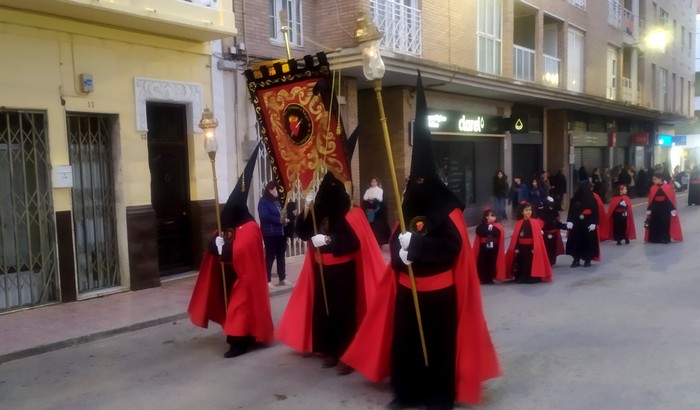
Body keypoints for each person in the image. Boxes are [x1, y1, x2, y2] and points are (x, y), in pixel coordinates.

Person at [341, 73, 500, 409]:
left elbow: (451, 248)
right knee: (406, 343)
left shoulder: (448, 210)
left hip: (440, 295)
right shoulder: (406, 205)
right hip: (406, 290)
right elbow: (399, 244)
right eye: (415, 179)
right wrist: (400, 252)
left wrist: (419, 249)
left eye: (423, 179)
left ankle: (439, 395)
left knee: (439, 345)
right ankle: (407, 391)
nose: (418, 184)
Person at [277, 171, 386, 374]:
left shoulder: (350, 213)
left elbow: (353, 243)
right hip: (321, 269)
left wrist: (328, 241)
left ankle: (346, 354)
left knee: (343, 312)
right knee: (323, 311)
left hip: (343, 270)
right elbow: (302, 232)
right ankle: (330, 350)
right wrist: (306, 210)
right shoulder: (319, 211)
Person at [188, 143, 274, 358]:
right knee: (233, 309)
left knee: (240, 308)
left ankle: (240, 344)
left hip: (243, 277)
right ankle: (240, 337)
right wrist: (215, 245)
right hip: (228, 275)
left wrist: (226, 249)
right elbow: (213, 247)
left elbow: (243, 251)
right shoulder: (227, 225)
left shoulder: (250, 227)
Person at [499, 202, 552, 284]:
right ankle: (521, 277)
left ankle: (532, 277)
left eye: (530, 210)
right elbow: (515, 238)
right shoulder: (519, 223)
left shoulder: (535, 223)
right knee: (522, 262)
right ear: (522, 212)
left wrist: (535, 248)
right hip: (521, 247)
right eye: (526, 210)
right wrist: (516, 247)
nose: (528, 212)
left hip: (531, 247)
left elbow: (537, 238)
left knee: (530, 262)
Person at [258, 181, 292, 287]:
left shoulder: (276, 202)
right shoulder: (263, 202)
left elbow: (280, 214)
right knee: (270, 256)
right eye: (275, 189)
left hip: (280, 233)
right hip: (270, 234)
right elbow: (264, 216)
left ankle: (282, 278)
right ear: (270, 190)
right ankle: (267, 281)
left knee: (281, 256)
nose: (276, 191)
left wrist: (285, 217)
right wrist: (279, 220)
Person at [565, 182, 600, 267]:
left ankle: (587, 259)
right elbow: (571, 211)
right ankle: (576, 259)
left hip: (588, 224)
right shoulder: (574, 199)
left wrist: (594, 223)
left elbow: (596, 212)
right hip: (577, 224)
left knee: (588, 242)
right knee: (576, 242)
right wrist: (569, 221)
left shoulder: (592, 199)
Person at [644, 173, 683, 244]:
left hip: (665, 207)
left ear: (660, 179)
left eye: (655, 179)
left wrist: (672, 209)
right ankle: (655, 238)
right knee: (655, 222)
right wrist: (649, 209)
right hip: (655, 208)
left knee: (665, 223)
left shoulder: (667, 187)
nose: (653, 181)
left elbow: (670, 199)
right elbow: (651, 200)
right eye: (653, 179)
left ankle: (665, 238)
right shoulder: (652, 188)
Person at [473, 208, 505, 284]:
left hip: (493, 246)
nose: (494, 217)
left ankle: (490, 277)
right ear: (487, 217)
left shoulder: (497, 226)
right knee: (483, 261)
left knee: (492, 261)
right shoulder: (481, 226)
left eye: (494, 216)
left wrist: (489, 232)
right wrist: (488, 231)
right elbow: (479, 232)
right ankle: (482, 277)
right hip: (483, 247)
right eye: (492, 216)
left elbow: (497, 233)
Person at [362, 177, 391, 245]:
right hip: (369, 209)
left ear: (377, 182)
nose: (373, 183)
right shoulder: (368, 190)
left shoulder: (380, 190)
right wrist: (370, 198)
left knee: (376, 226)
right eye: (372, 182)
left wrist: (372, 198)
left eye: (375, 182)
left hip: (377, 209)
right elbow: (365, 198)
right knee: (370, 224)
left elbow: (379, 199)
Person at [540, 196, 567, 267]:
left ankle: (551, 262)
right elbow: (540, 224)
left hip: (554, 234)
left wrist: (566, 226)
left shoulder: (555, 214)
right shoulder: (543, 215)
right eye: (549, 206)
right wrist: (540, 230)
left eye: (552, 206)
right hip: (545, 234)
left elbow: (558, 224)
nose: (551, 208)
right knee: (546, 249)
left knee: (553, 249)